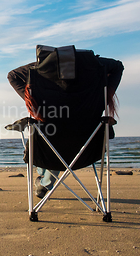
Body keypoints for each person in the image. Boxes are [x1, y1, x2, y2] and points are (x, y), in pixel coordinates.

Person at [8, 50, 123, 198]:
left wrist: (29, 97)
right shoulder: (94, 74)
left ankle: (44, 182)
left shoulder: (44, 75)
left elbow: (13, 75)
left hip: (51, 145)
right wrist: (107, 94)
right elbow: (118, 66)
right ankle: (44, 182)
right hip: (88, 149)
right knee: (58, 134)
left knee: (50, 135)